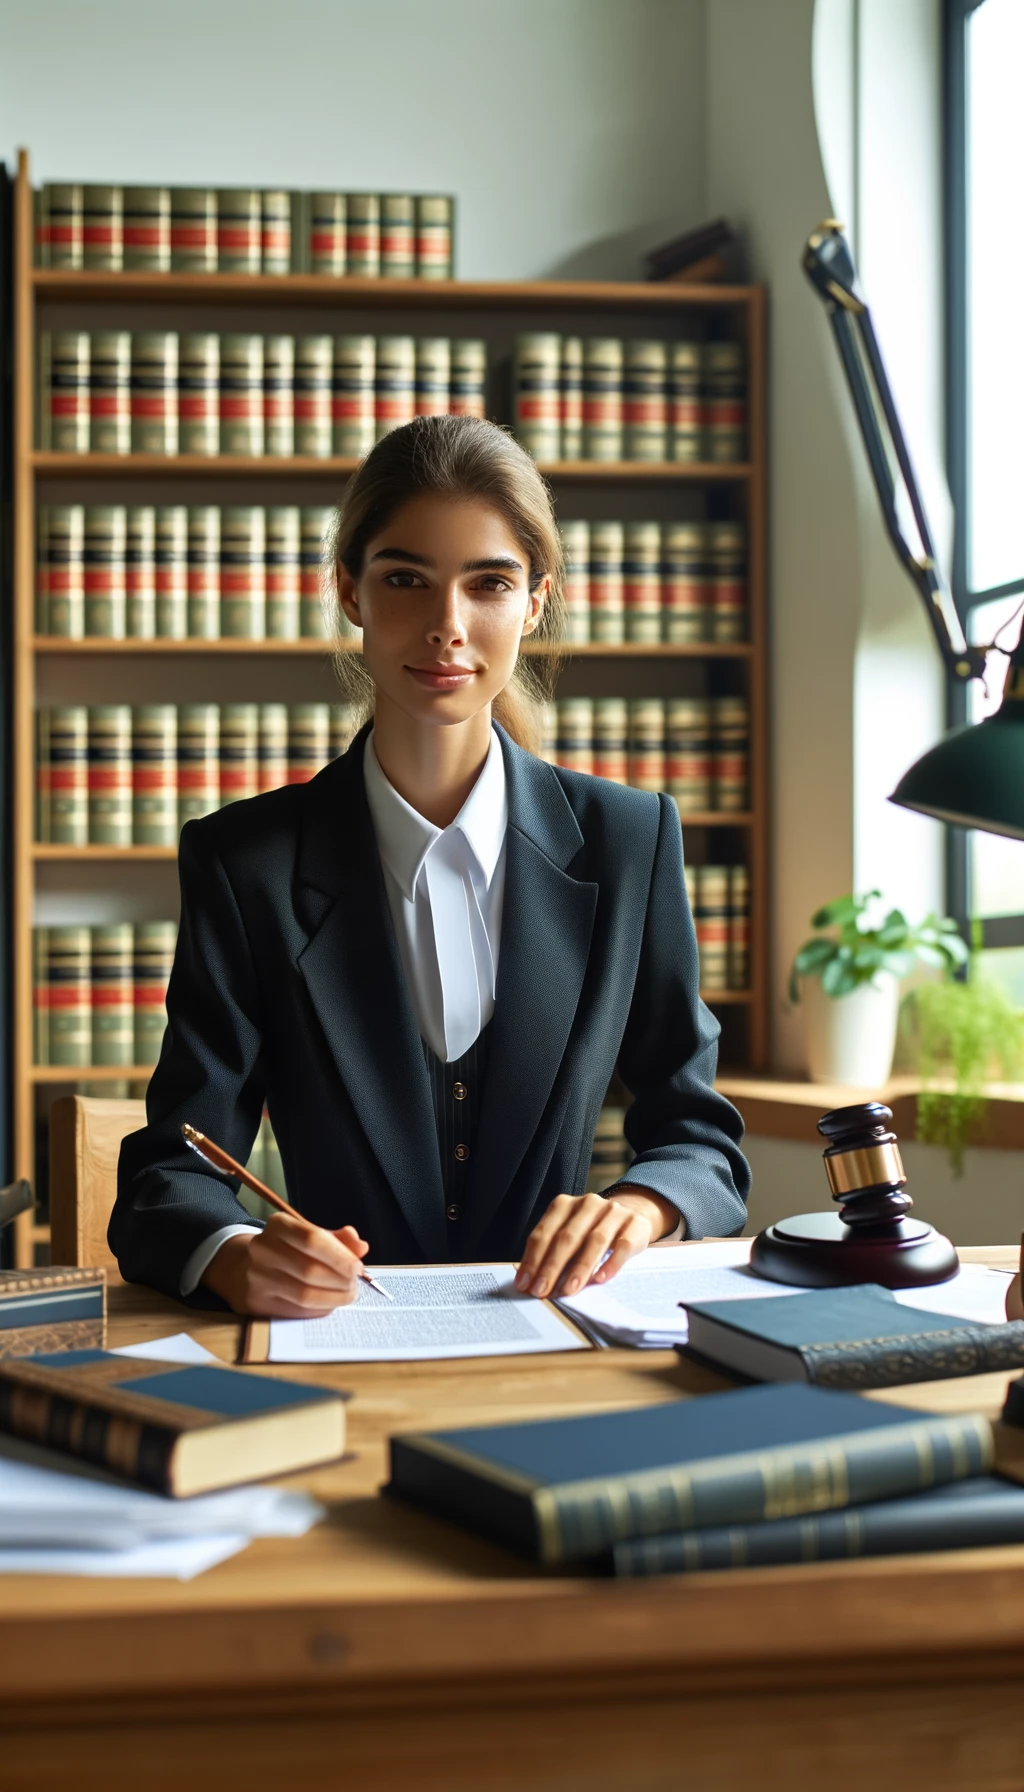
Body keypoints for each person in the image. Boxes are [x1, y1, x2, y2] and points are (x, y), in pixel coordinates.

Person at [111, 415, 750, 1315]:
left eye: (488, 583)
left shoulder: (629, 838)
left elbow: (700, 1135)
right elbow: (171, 1166)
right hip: (336, 1348)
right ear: (350, 592)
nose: (448, 626)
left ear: (534, 602)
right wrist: (233, 1253)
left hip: (564, 1346)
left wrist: (641, 1208)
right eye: (406, 579)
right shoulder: (243, 862)